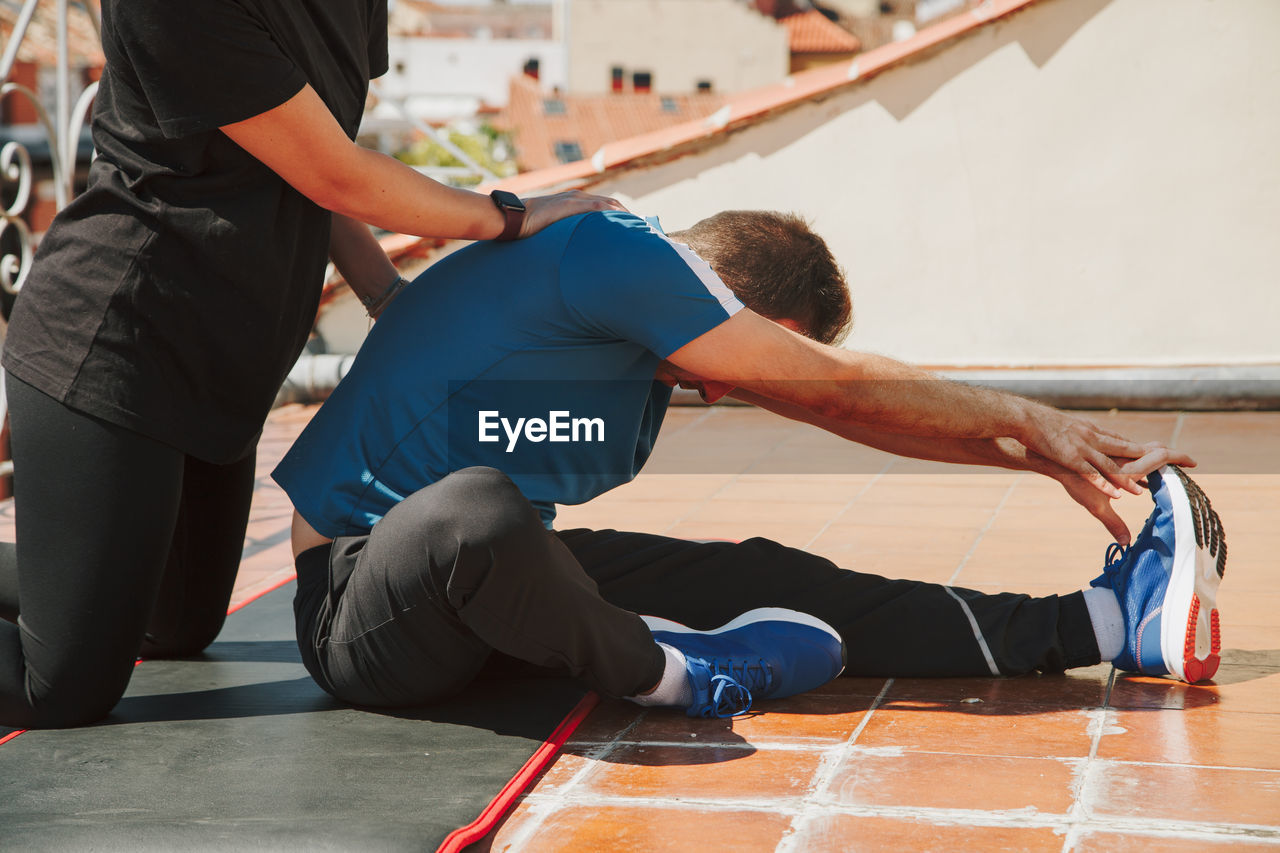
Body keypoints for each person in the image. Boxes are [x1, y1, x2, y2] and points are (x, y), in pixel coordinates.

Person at [272, 209, 1227, 719]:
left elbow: (846, 411)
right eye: (760, 353)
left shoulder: (651, 349)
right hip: (362, 608)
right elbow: (833, 387)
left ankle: (1106, 623)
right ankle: (676, 678)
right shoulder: (613, 257)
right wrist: (1034, 419)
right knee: (475, 511)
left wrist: (1032, 459)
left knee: (765, 572)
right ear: (725, 296)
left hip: (498, 593)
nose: (727, 393)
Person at [0, 0, 619, 729]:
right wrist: (507, 214)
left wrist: (388, 295)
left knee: (180, 626)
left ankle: (64, 578)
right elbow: (337, 173)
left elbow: (300, 161)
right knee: (62, 685)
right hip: (118, 341)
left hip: (223, 365)